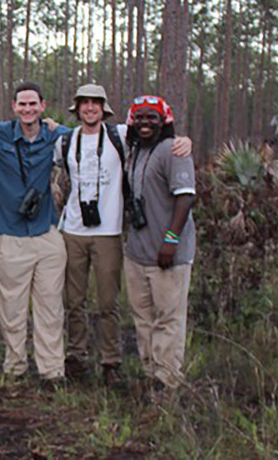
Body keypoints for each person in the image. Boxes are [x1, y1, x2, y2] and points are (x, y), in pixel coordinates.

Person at [54, 84, 192, 387]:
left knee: (108, 303)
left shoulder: (121, 136)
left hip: (110, 232)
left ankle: (110, 362)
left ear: (105, 108)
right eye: (84, 104)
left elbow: (155, 132)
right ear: (76, 109)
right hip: (72, 231)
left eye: (96, 103)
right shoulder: (64, 140)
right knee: (73, 301)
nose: (90, 108)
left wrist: (184, 140)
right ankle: (76, 358)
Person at [0, 82, 72, 385]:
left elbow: (95, 138)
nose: (28, 109)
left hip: (46, 232)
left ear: (43, 106)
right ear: (14, 107)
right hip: (9, 234)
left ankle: (52, 371)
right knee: (12, 309)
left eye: (33, 104)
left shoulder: (57, 136)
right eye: (22, 105)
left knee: (50, 307)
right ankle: (15, 367)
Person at [122, 95, 195, 397]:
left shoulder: (174, 150)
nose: (145, 123)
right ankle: (150, 374)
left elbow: (185, 196)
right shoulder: (135, 149)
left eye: (152, 118)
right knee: (143, 319)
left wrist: (171, 240)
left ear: (164, 120)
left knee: (169, 319)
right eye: (139, 118)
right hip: (137, 252)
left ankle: (168, 382)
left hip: (168, 254)